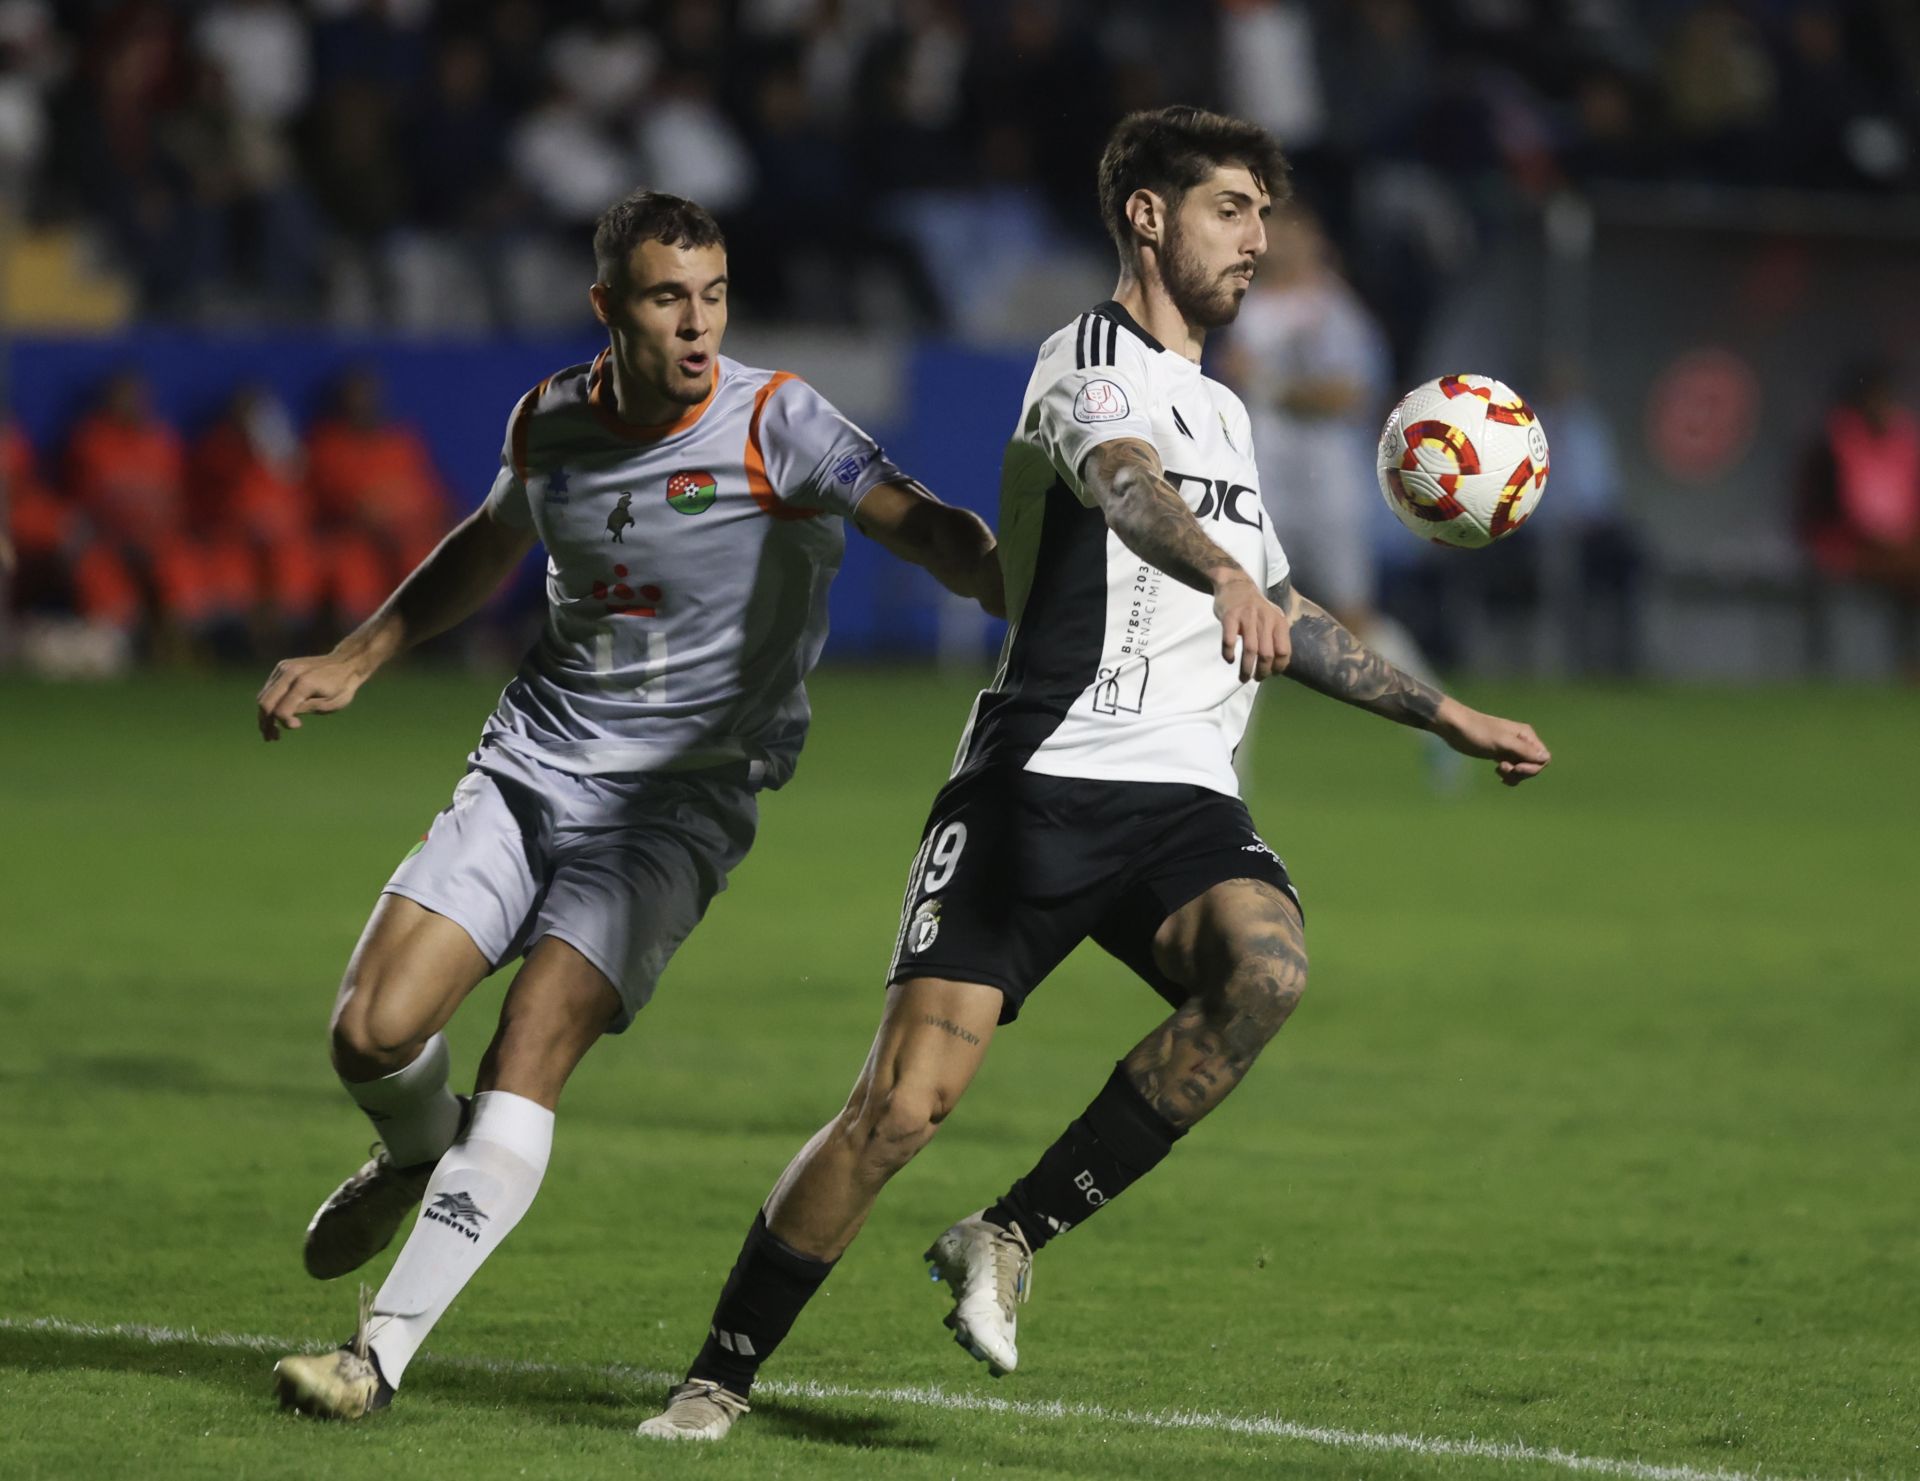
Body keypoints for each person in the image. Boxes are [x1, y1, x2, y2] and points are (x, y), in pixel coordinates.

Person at [636, 105, 1552, 1444]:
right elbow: (1124, 485)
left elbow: (1285, 615)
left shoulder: (1229, 416)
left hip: (1184, 800)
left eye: (1263, 213)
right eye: (1231, 208)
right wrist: (1225, 570)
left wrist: (1445, 713)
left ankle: (1006, 1235)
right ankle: (718, 1374)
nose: (1257, 238)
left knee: (1269, 968)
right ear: (1147, 215)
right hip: (1041, 785)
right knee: (897, 1110)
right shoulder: (1087, 362)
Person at [263, 189, 1003, 1421]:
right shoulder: (551, 419)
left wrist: (1005, 568)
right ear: (611, 307)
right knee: (370, 1032)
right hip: (533, 764)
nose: (698, 326)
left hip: (680, 803)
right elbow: (491, 545)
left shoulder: (778, 420)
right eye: (668, 299)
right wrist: (360, 652)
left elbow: (922, 525)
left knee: (530, 1046)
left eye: (713, 296)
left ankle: (376, 1353)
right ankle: (413, 1148)